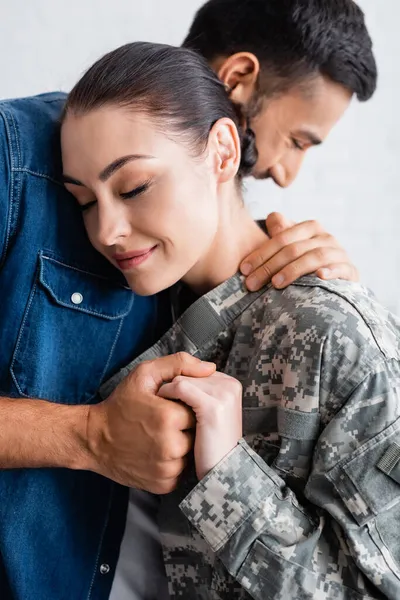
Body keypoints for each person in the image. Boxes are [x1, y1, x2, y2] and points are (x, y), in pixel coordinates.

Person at [0, 0, 377, 598]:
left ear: (222, 150)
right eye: (296, 139)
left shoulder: (320, 326)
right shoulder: (19, 162)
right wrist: (89, 435)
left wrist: (336, 318)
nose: (105, 232)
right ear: (238, 81)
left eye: (135, 187)